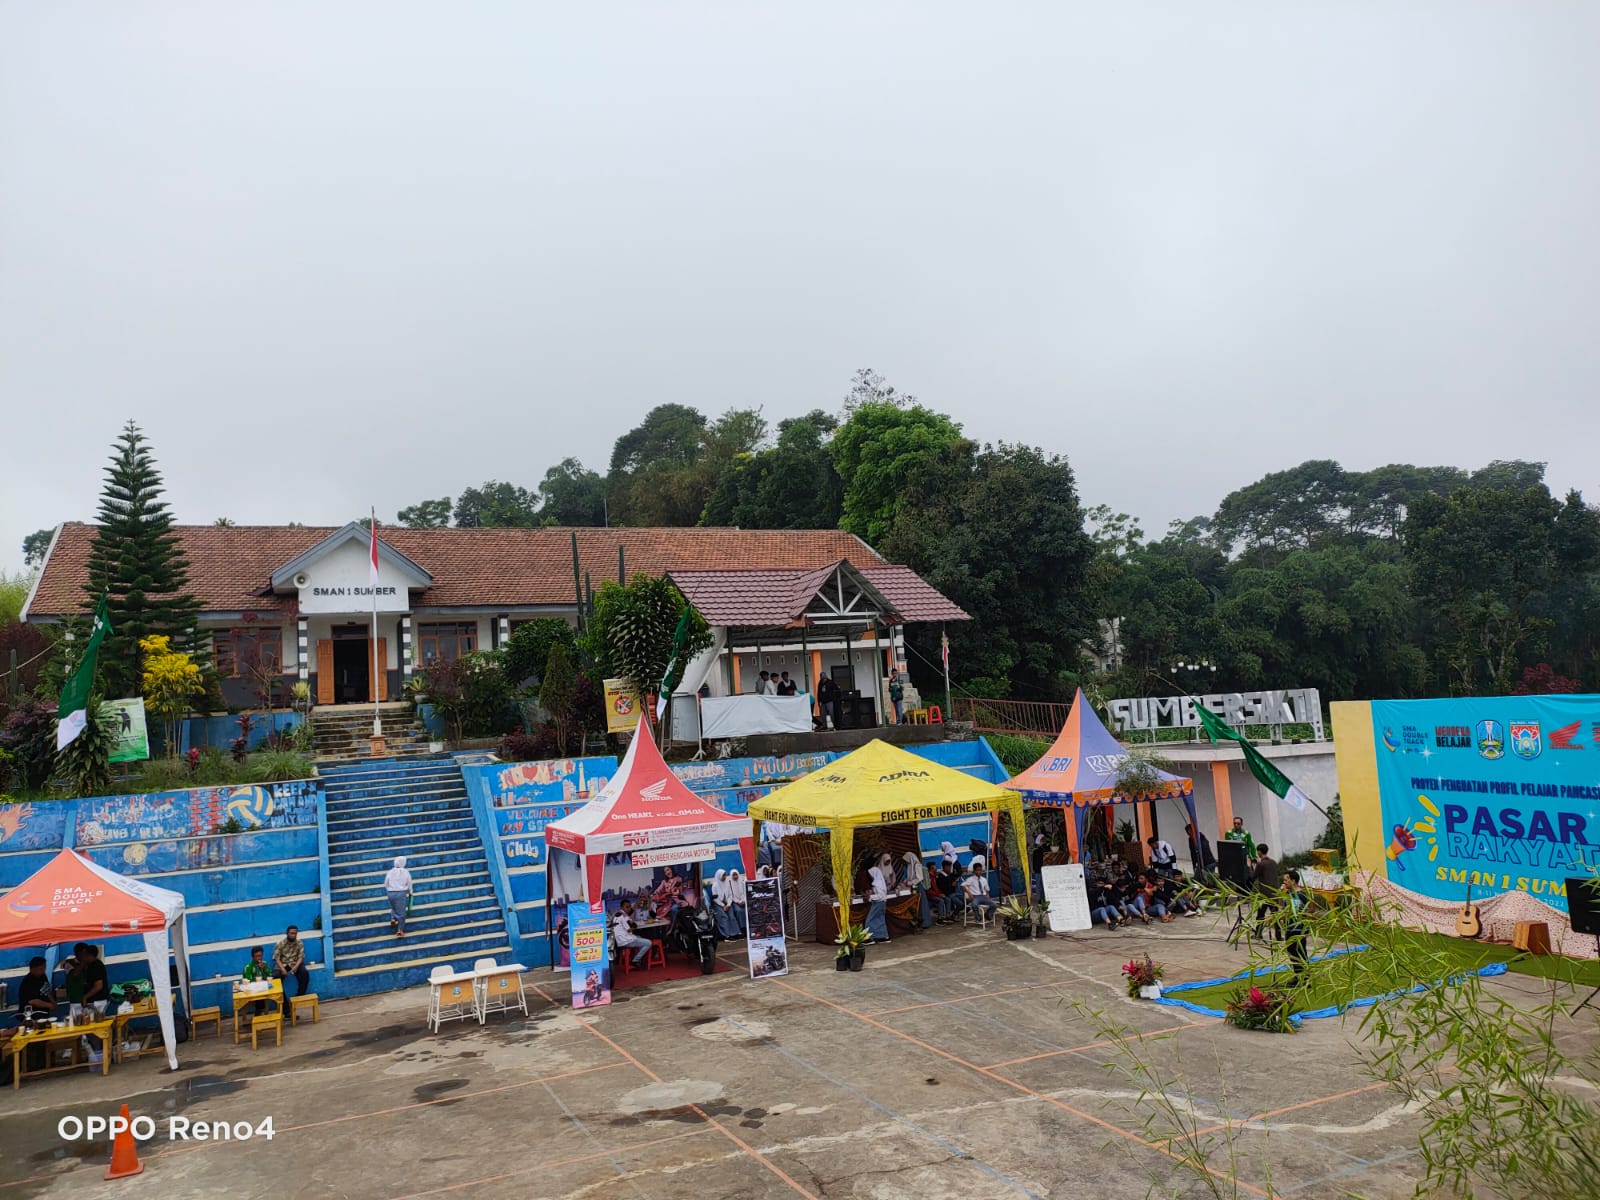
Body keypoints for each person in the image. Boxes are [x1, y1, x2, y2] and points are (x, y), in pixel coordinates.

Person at [1282, 870, 1311, 979]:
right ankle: (1298, 975)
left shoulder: (1300, 895)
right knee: (1292, 952)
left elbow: (1303, 911)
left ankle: (1304, 977)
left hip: (1298, 929)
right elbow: (1283, 909)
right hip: (1290, 928)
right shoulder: (1288, 894)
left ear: (1293, 881)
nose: (1284, 882)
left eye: (1286, 880)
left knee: (1299, 953)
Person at [612, 900, 654, 967]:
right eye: (627, 907)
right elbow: (630, 929)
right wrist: (634, 926)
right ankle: (635, 960)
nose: (629, 909)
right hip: (626, 940)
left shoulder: (616, 914)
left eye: (629, 907)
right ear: (622, 907)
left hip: (620, 939)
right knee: (649, 943)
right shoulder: (623, 916)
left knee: (639, 937)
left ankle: (637, 957)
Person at [273, 925, 310, 996]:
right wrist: (283, 969)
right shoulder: (280, 943)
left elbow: (301, 957)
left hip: (295, 963)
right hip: (283, 964)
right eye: (291, 933)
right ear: (287, 934)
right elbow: (277, 958)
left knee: (304, 973)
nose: (293, 935)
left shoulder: (300, 943)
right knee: (275, 977)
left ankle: (300, 996)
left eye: (295, 933)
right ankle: (284, 1003)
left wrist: (296, 967)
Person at [865, 852, 894, 942]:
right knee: (880, 920)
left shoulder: (877, 883)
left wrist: (870, 897)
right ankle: (883, 936)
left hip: (878, 902)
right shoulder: (879, 882)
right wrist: (872, 891)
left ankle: (869, 938)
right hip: (882, 903)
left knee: (869, 920)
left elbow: (880, 895)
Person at [901, 850, 933, 928]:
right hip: (913, 887)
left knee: (922, 905)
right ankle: (919, 922)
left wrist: (910, 883)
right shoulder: (909, 866)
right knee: (917, 906)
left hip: (918, 887)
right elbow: (909, 877)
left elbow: (919, 878)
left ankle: (926, 923)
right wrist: (906, 882)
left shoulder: (917, 865)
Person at [385, 856, 413, 938]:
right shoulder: (405, 872)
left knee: (394, 907)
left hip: (390, 893)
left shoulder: (390, 872)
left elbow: (386, 883)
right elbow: (409, 883)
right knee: (402, 913)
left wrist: (390, 889)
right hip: (400, 893)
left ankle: (393, 919)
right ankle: (400, 930)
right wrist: (410, 892)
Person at [933, 855, 965, 922]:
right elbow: (945, 890)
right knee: (960, 904)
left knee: (966, 899)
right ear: (945, 867)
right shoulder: (941, 877)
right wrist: (952, 885)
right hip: (948, 894)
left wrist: (954, 884)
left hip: (954, 893)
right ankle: (954, 915)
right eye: (949, 867)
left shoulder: (950, 875)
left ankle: (955, 914)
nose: (950, 868)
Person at [709, 869, 738, 938]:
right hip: (718, 904)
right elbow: (715, 898)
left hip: (727, 903)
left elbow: (730, 895)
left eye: (725, 875)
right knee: (724, 917)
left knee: (731, 916)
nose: (724, 877)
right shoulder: (715, 885)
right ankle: (726, 935)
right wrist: (723, 905)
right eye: (723, 876)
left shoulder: (727, 883)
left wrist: (728, 904)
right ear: (719, 876)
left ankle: (735, 933)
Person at [80, 944, 108, 1009]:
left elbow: (98, 986)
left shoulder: (96, 966)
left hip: (98, 1001)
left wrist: (85, 997)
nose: (82, 957)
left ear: (89, 955)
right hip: (95, 1001)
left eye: (84, 955)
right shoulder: (91, 965)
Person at [727, 869, 748, 936]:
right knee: (739, 911)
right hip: (735, 902)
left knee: (747, 910)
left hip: (744, 900)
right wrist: (738, 902)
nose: (735, 876)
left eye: (736, 874)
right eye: (733, 875)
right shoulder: (729, 883)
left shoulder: (741, 882)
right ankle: (743, 928)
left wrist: (743, 900)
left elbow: (745, 892)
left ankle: (748, 927)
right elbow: (731, 895)